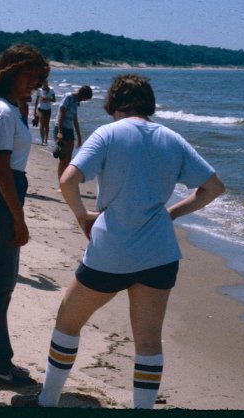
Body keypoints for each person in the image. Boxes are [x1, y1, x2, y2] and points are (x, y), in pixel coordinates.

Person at [13, 74, 226, 409]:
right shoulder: (172, 138)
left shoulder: (108, 134)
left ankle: (48, 400)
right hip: (159, 253)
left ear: (113, 102)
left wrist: (83, 217)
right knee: (148, 342)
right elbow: (213, 188)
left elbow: (68, 180)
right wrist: (170, 214)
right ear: (148, 103)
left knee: (68, 322)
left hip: (111, 249)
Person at [0, 44, 50, 388]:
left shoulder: (3, 108)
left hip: (3, 191)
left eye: (38, 76)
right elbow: (2, 168)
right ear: (10, 72)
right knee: (0, 284)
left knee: (0, 283)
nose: (33, 81)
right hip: (4, 193)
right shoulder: (4, 112)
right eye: (28, 74)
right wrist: (18, 218)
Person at [54, 85, 93, 180]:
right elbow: (61, 114)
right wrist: (60, 132)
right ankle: (60, 182)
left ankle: (64, 181)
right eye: (85, 98)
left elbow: (75, 120)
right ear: (82, 94)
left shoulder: (76, 102)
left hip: (69, 129)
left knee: (68, 158)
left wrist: (79, 138)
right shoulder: (68, 97)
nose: (84, 100)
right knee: (63, 158)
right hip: (61, 128)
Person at [33, 80, 56, 145]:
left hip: (48, 109)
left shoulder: (51, 89)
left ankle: (46, 140)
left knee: (47, 125)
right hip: (41, 109)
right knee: (42, 125)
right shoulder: (39, 90)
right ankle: (42, 141)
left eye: (46, 82)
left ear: (47, 83)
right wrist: (34, 111)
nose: (45, 84)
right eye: (44, 82)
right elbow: (36, 101)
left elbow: (54, 100)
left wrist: (48, 99)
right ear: (42, 83)